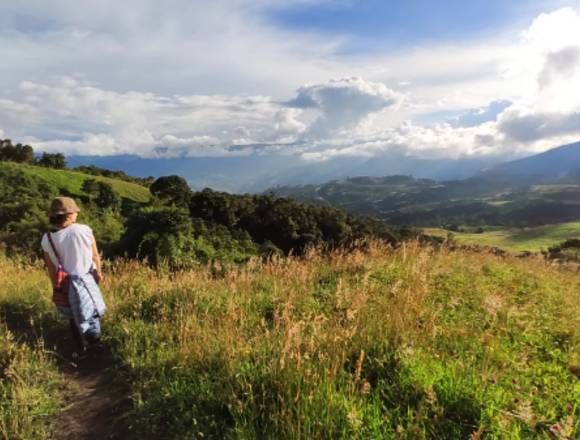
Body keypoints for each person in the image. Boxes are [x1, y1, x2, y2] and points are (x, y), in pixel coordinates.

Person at [41, 197, 106, 356]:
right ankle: (95, 347)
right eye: (75, 212)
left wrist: (55, 285)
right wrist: (98, 273)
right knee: (90, 313)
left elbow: (51, 267)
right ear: (69, 214)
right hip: (85, 280)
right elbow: (95, 256)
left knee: (72, 316)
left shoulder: (47, 238)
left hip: (64, 283)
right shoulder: (83, 230)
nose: (77, 214)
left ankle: (80, 348)